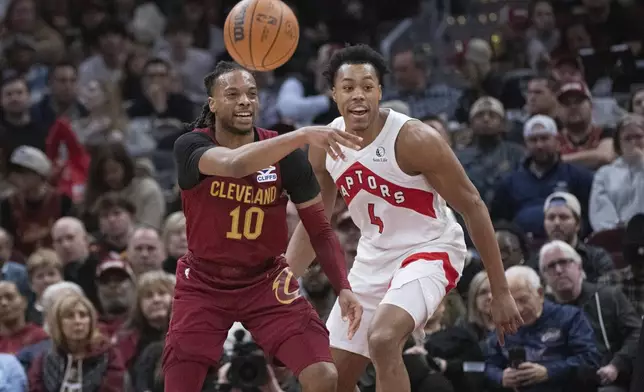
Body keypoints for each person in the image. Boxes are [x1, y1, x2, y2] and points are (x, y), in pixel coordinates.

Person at [287, 44, 524, 392]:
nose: (358, 95)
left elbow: (473, 206)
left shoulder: (414, 139)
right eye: (348, 87)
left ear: (380, 92)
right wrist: (282, 280)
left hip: (430, 249)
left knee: (383, 339)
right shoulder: (325, 145)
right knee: (326, 381)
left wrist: (501, 290)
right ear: (333, 93)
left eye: (367, 86)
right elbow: (315, 224)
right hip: (373, 257)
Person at [164, 61, 364, 392]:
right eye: (232, 94)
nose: (245, 101)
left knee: (324, 376)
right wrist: (300, 134)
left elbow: (319, 229)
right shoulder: (190, 146)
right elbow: (235, 163)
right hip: (203, 282)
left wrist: (342, 285)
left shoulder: (285, 156)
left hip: (266, 280)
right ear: (212, 103)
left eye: (252, 94)